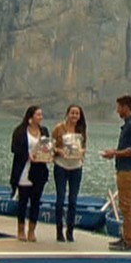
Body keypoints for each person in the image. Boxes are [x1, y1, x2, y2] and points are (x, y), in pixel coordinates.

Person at [100, 94, 131, 250]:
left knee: (126, 205)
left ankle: (129, 241)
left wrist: (114, 153)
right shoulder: (129, 124)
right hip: (124, 168)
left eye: (119, 107)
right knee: (124, 204)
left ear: (126, 107)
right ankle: (125, 237)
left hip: (128, 169)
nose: (117, 110)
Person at [9, 104, 52, 241]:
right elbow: (14, 149)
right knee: (23, 200)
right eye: (38, 115)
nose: (41, 117)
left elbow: (47, 147)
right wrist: (28, 155)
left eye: (41, 115)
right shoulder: (20, 131)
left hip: (38, 170)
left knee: (35, 201)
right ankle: (21, 229)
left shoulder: (44, 131)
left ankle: (32, 230)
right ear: (30, 117)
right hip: (23, 170)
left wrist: (48, 155)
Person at [50, 104, 87, 242]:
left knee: (73, 200)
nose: (74, 116)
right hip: (61, 166)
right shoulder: (58, 128)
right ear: (67, 114)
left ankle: (70, 231)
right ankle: (59, 230)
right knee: (60, 199)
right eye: (72, 113)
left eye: (77, 114)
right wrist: (59, 151)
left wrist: (82, 152)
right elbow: (50, 145)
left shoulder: (81, 129)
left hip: (76, 167)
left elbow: (84, 147)